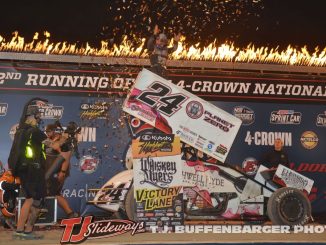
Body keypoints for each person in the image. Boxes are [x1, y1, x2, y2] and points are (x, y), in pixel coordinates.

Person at [11, 104, 47, 240]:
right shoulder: (35, 132)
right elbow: (52, 145)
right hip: (33, 170)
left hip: (24, 170)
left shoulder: (20, 131)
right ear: (33, 116)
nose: (39, 119)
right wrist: (64, 140)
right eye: (38, 116)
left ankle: (21, 230)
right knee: (37, 200)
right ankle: (27, 231)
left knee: (29, 199)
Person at [44, 123, 78, 218]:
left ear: (55, 131)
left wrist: (62, 172)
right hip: (50, 172)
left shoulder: (63, 141)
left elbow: (66, 158)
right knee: (54, 193)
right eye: (46, 131)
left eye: (49, 131)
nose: (47, 133)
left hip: (59, 171)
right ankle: (70, 214)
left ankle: (69, 213)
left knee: (53, 193)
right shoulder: (47, 140)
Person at [0, 161, 20, 229]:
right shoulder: (4, 179)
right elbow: (4, 185)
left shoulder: (13, 176)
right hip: (5, 209)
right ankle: (6, 220)